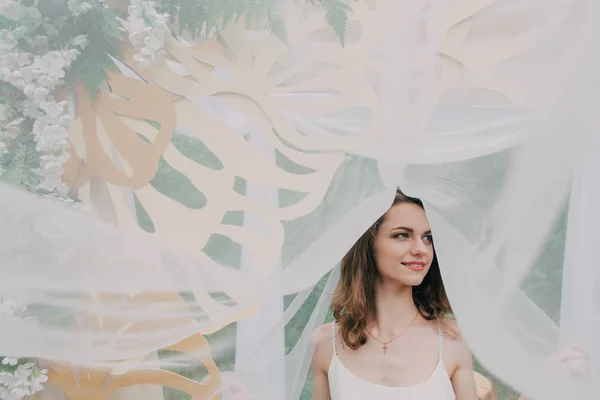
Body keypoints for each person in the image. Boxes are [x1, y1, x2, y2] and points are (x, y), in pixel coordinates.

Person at [311, 189, 479, 400]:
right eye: (402, 235)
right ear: (368, 245)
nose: (421, 249)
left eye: (428, 238)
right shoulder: (326, 342)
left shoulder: (453, 338)